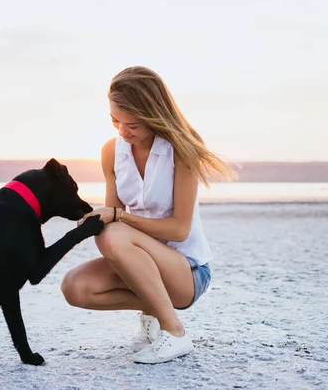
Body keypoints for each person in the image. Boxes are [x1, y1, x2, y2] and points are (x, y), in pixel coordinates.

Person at [60, 66, 235, 364]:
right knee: (75, 287)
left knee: (114, 232)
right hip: (142, 264)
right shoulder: (111, 151)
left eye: (133, 125)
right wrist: (95, 219)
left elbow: (179, 229)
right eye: (115, 121)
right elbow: (112, 220)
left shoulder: (181, 149)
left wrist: (118, 217)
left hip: (188, 271)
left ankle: (175, 332)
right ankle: (154, 313)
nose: (122, 132)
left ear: (154, 116)